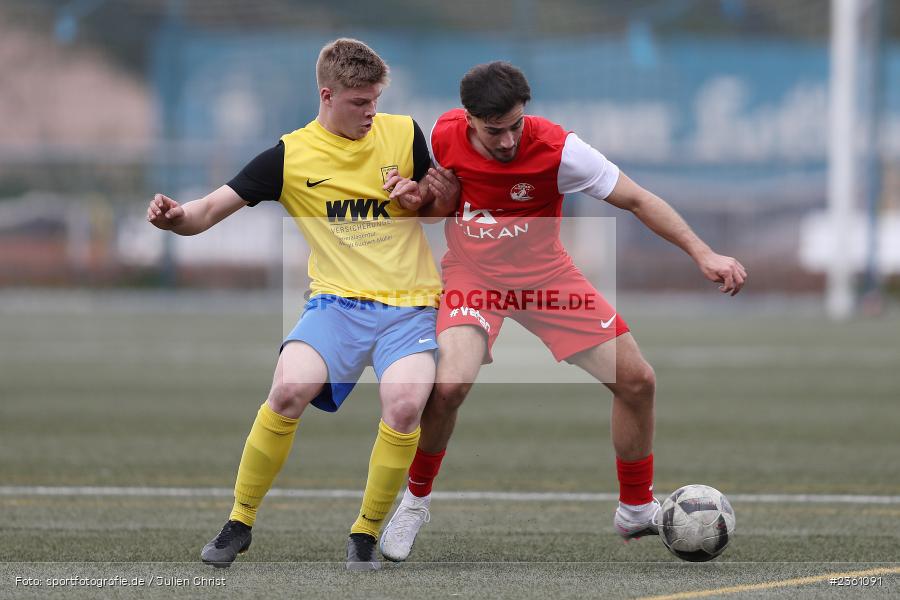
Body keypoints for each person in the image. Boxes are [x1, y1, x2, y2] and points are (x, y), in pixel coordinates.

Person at [379, 61, 747, 562]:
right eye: (494, 131)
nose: (508, 140)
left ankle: (636, 508)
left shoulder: (559, 150)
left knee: (638, 381)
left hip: (547, 279)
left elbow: (637, 199)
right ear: (468, 119)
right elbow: (425, 211)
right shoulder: (441, 137)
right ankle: (416, 501)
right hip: (474, 278)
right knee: (448, 387)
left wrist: (704, 252)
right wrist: (428, 202)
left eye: (515, 125)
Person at [146, 38, 459, 571]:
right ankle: (238, 522)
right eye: (360, 102)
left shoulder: (405, 133)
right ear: (327, 95)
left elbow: (443, 210)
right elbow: (208, 211)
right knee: (288, 388)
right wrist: (176, 219)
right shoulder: (290, 156)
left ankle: (365, 532)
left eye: (376, 100)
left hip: (410, 307)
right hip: (336, 307)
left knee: (405, 407)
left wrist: (422, 200)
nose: (371, 112)